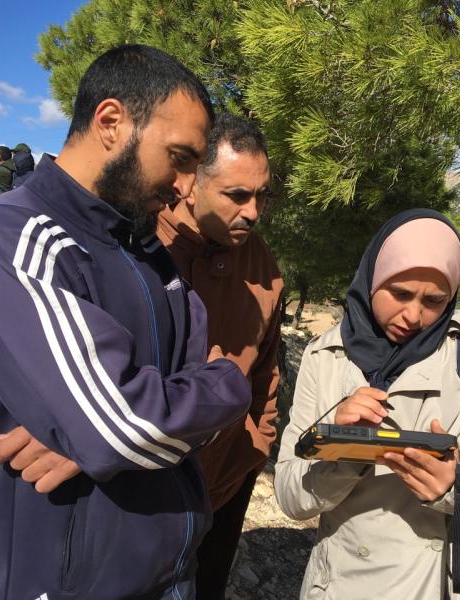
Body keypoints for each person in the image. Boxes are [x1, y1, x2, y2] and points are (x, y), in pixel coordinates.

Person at [0, 44, 251, 600]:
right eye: (180, 157)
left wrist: (200, 397)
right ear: (111, 121)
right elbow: (122, 430)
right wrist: (227, 386)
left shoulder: (146, 248)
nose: (187, 186)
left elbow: (166, 413)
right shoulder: (16, 236)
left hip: (167, 569)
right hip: (67, 584)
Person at [274, 209, 460, 599]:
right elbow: (288, 494)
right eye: (400, 293)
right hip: (343, 583)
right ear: (372, 278)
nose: (414, 315)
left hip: (448, 584)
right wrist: (345, 449)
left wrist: (458, 481)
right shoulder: (325, 356)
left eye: (435, 300)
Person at [157, 114, 283, 599]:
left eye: (261, 196)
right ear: (189, 182)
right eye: (237, 196)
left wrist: (256, 444)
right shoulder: (142, 244)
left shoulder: (261, 261)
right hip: (142, 490)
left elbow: (266, 369)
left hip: (227, 480)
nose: (253, 213)